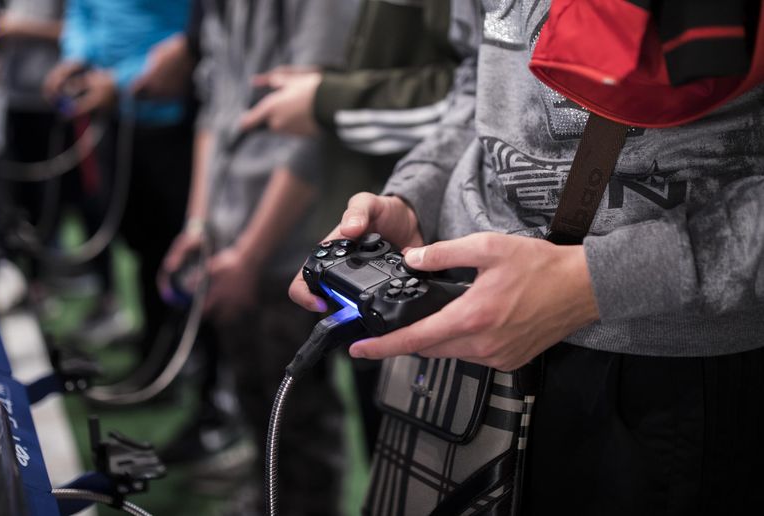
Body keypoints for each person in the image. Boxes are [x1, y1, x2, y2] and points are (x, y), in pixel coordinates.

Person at [290, 0, 764, 514]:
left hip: (665, 361)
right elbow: (478, 76)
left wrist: (598, 282)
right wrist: (414, 195)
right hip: (462, 316)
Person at [158, 0, 359, 513]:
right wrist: (200, 224)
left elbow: (320, 129)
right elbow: (213, 106)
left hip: (289, 243)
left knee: (298, 420)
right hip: (230, 231)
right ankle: (264, 495)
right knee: (254, 398)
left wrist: (250, 254)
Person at [239, 0, 463, 452]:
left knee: (426, 446)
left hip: (438, 256)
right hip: (386, 222)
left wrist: (327, 100)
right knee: (386, 448)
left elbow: (471, 92)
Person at [43, 0, 194, 357]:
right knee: (141, 244)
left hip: (171, 120)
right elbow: (84, 12)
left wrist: (120, 79)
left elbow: (193, 38)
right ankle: (156, 348)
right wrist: (75, 58)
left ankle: (185, 361)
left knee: (174, 249)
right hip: (114, 115)